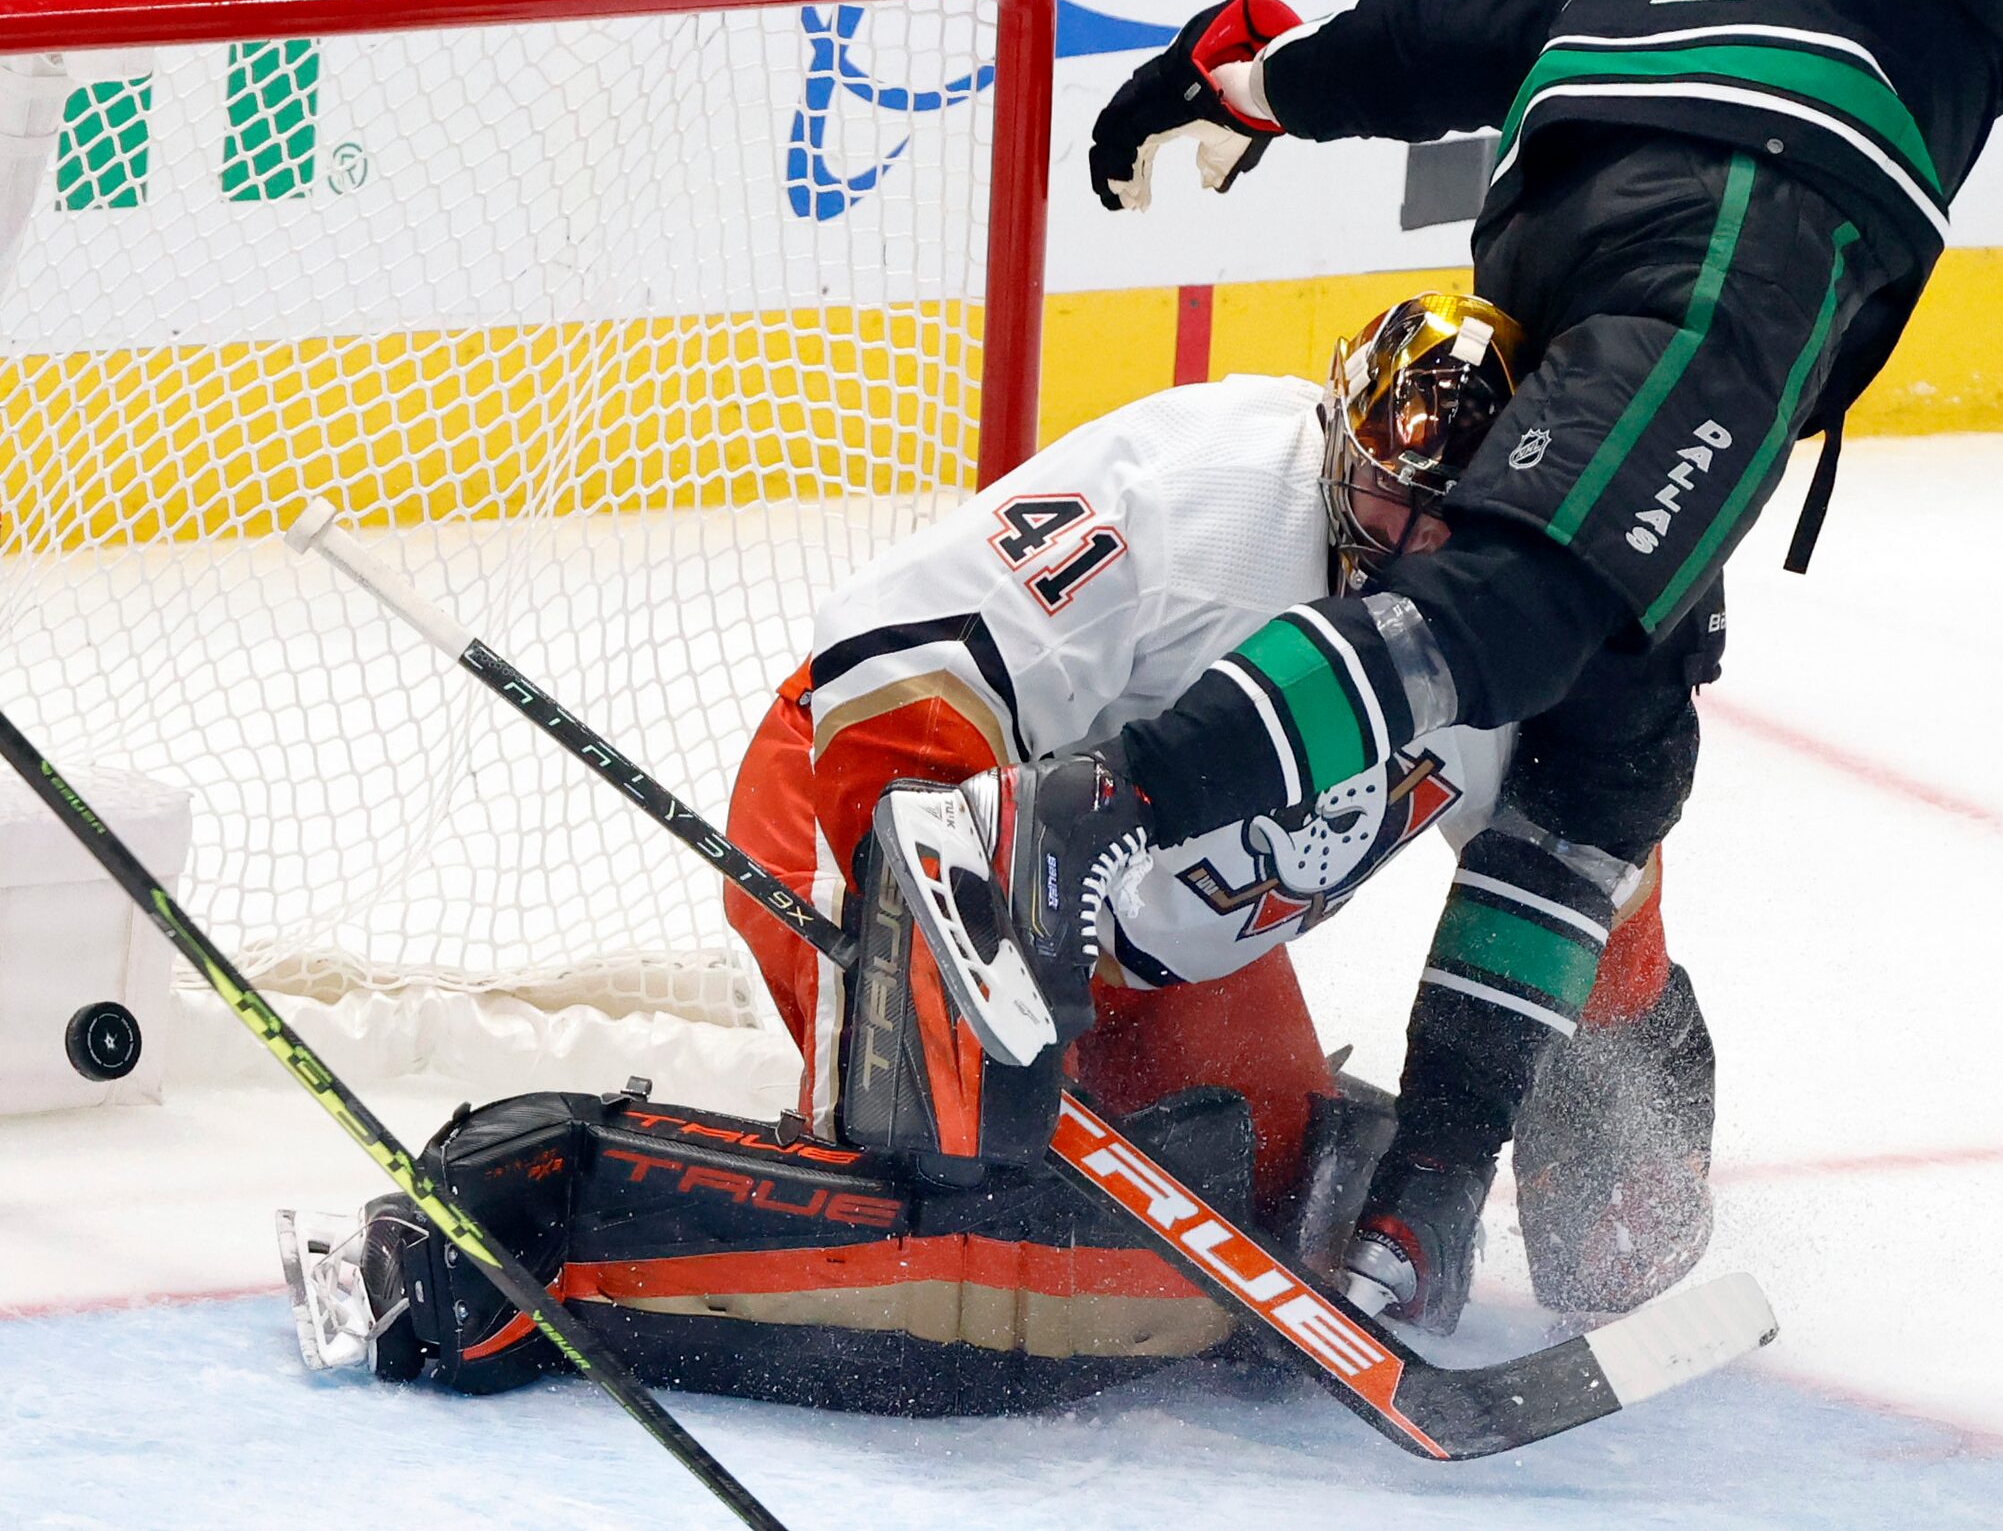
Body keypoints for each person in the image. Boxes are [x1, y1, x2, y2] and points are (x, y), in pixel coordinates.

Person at [915, 0, 2003, 1336]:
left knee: (1605, 750)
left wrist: (1242, 82)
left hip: (1558, 242)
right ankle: (1100, 806)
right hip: (1725, 231)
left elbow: (1452, 37)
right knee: (1514, 607)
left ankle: (1427, 1198)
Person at [272, 294, 1713, 1406]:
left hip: (1149, 940)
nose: (1409, 549)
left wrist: (1557, 1160)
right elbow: (891, 687)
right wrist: (962, 970)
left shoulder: (1538, 618)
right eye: (1391, 500)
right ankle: (531, 1218)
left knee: (1249, 1239)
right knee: (992, 1254)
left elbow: (1591, 890)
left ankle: (1253, 1157)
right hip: (891, 820)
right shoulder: (1195, 495)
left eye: (1456, 528)